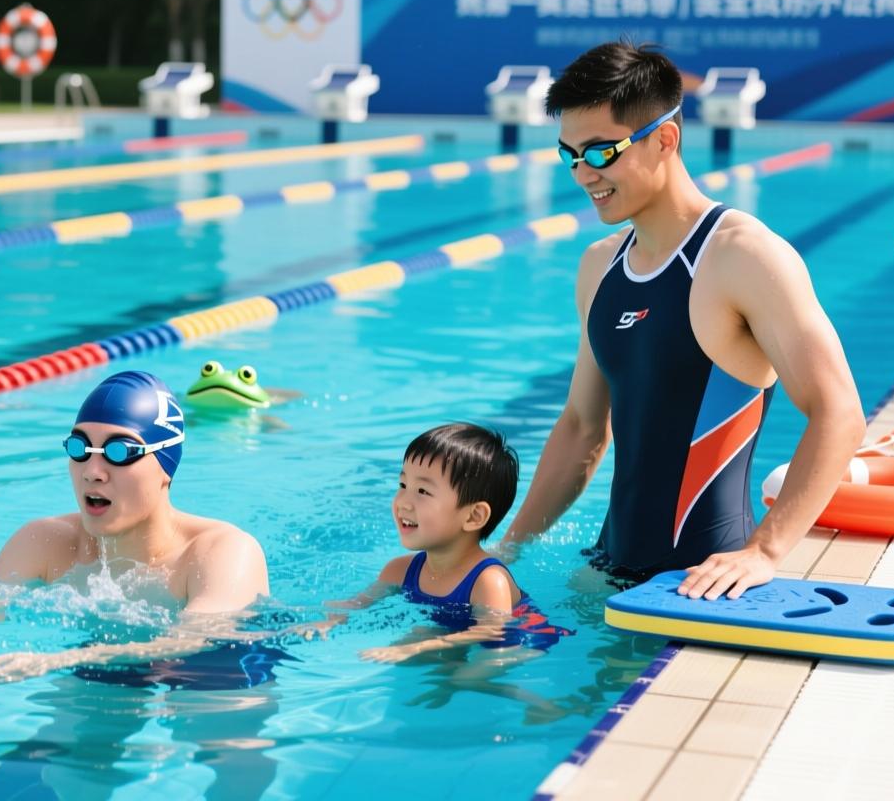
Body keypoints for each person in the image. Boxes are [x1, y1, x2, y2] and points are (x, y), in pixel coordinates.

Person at [500, 40, 865, 600]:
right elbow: (581, 428)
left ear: (665, 138)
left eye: (600, 153)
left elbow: (838, 410)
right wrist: (508, 551)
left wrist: (765, 552)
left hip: (701, 584)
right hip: (606, 568)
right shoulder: (600, 267)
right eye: (568, 155)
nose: (581, 174)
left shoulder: (743, 257)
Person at [0, 370, 271, 685]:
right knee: (69, 753)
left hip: (221, 666)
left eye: (120, 452)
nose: (92, 472)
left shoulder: (222, 551)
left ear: (165, 467)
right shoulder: (44, 542)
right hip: (102, 659)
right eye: (80, 449)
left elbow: (192, 639)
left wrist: (55, 659)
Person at [339, 422, 570, 663]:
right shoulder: (398, 570)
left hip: (521, 640)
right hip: (456, 631)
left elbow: (492, 630)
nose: (403, 503)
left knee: (465, 678)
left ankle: (539, 702)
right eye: (403, 485)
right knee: (415, 644)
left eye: (423, 492)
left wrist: (419, 648)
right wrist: (328, 622)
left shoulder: (489, 581)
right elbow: (355, 605)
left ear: (473, 517)